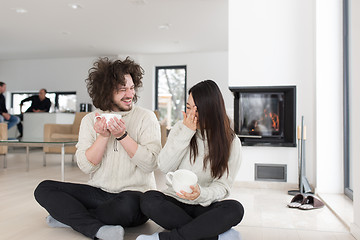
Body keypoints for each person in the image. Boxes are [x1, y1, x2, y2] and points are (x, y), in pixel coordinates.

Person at [33, 57, 162, 240]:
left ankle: (71, 218)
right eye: (122, 89)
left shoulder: (146, 118)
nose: (129, 94)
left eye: (131, 87)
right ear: (106, 91)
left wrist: (122, 137)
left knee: (126, 205)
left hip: (134, 196)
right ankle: (96, 228)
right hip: (100, 193)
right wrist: (102, 137)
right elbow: (86, 167)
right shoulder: (90, 120)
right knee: (44, 189)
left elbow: (150, 164)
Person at [137, 80, 244, 240]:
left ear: (213, 110)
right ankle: (212, 234)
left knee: (235, 209)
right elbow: (164, 166)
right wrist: (187, 132)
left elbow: (223, 186)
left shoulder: (231, 142)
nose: (192, 114)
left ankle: (165, 238)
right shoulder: (181, 128)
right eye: (188, 108)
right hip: (175, 202)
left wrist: (201, 194)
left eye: (199, 109)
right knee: (148, 199)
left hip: (205, 204)